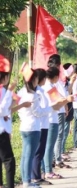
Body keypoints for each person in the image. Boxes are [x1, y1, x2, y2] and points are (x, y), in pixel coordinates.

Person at [0, 56, 16, 188]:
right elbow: (3, 110)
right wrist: (10, 91)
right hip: (1, 130)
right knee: (9, 160)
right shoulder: (2, 90)